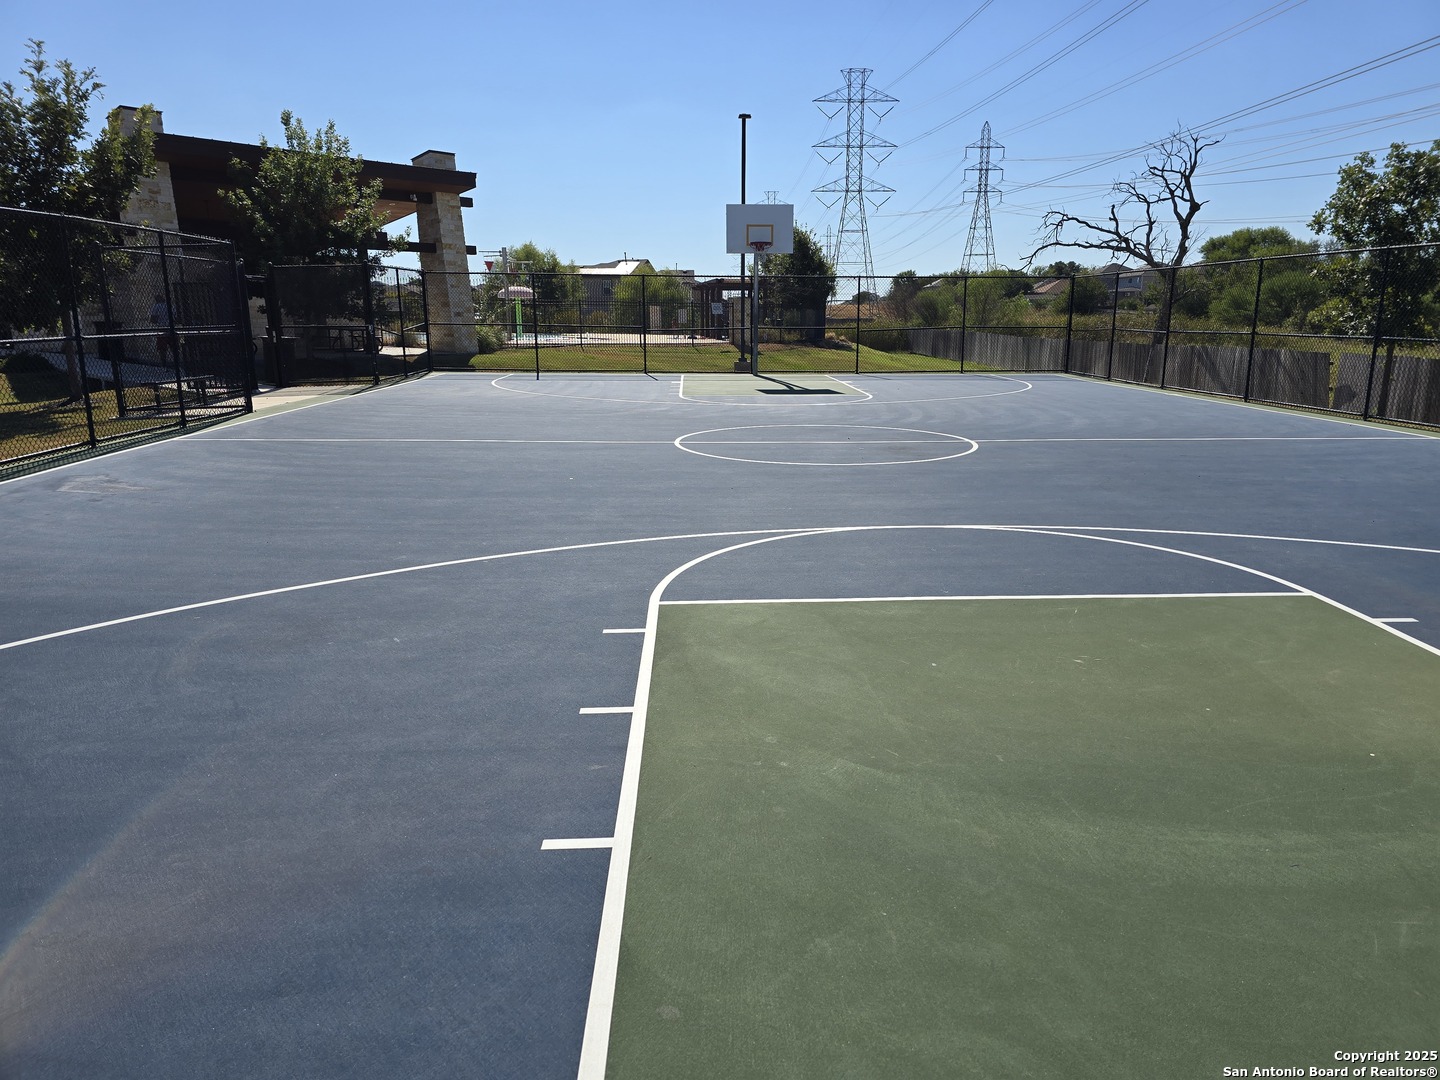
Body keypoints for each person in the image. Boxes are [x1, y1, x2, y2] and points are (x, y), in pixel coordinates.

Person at [150, 293, 173, 362]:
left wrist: (158, 320)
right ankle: (176, 362)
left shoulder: (156, 306)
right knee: (173, 346)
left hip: (161, 328)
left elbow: (153, 319)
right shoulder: (170, 306)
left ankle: (164, 363)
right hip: (170, 327)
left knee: (162, 348)